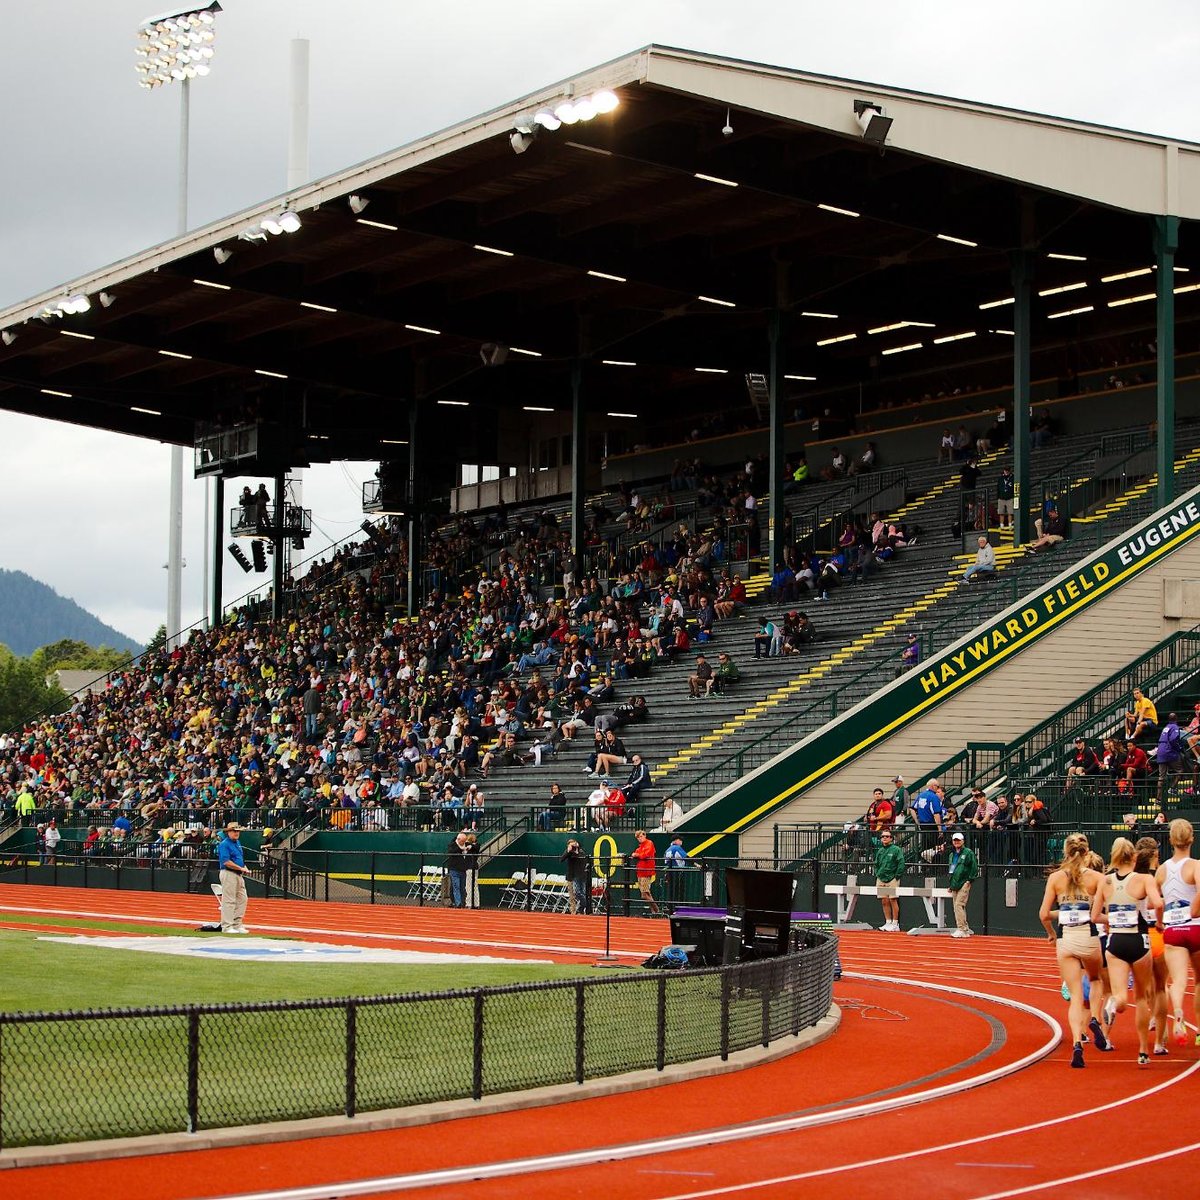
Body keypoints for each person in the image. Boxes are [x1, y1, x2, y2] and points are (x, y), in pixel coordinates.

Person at [1039, 833, 1109, 1067]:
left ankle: (1077, 1043)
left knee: (1075, 996)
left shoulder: (1056, 878)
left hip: (1065, 938)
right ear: (1087, 852)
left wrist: (1050, 932)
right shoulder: (1098, 878)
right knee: (1097, 979)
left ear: (1065, 852)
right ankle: (1097, 1019)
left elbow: (1043, 914)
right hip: (1088, 936)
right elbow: (1096, 914)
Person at [1092, 837, 1163, 1066]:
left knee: (1119, 995)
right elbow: (1158, 904)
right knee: (1141, 997)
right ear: (1134, 857)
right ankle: (1143, 1051)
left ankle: (1113, 1006)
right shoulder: (1143, 879)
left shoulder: (1105, 881)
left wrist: (1112, 919)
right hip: (1139, 941)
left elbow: (1095, 917)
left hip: (1115, 942)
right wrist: (1159, 922)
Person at [1155, 818, 1200, 1047]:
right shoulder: (1196, 866)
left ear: (1171, 840)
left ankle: (1179, 1012)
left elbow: (1156, 903)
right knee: (1199, 981)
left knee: (1178, 981)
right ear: (1191, 838)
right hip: (1196, 926)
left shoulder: (1162, 870)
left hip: (1173, 930)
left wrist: (1161, 923)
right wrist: (1193, 910)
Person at [217, 820, 250, 934]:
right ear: (229, 832)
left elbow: (239, 859)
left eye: (237, 831)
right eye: (234, 831)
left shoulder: (237, 843)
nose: (236, 833)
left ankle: (237, 924)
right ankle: (227, 926)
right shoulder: (224, 844)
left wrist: (243, 867)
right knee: (229, 900)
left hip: (238, 873)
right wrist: (241, 868)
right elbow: (226, 861)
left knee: (242, 899)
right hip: (229, 873)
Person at [947, 831, 979, 937]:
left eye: (958, 840)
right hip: (955, 882)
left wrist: (969, 880)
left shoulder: (968, 853)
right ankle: (964, 928)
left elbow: (974, 866)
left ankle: (961, 928)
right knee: (957, 906)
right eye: (955, 840)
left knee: (958, 905)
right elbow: (951, 869)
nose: (956, 842)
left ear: (963, 841)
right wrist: (951, 884)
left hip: (964, 882)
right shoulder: (952, 855)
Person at [874, 827, 905, 931]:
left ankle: (895, 923)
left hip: (892, 878)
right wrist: (878, 874)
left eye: (887, 836)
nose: (885, 838)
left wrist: (897, 876)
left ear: (891, 838)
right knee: (884, 900)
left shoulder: (896, 849)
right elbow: (876, 864)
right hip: (881, 878)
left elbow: (901, 863)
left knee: (893, 900)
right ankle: (888, 922)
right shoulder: (880, 851)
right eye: (883, 836)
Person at [630, 829, 660, 915]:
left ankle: (656, 910)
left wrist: (637, 855)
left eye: (641, 836)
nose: (639, 838)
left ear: (644, 836)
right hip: (641, 871)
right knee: (646, 893)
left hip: (646, 871)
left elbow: (645, 854)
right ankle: (654, 911)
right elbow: (636, 853)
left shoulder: (649, 843)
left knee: (644, 893)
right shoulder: (641, 846)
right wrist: (636, 854)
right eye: (638, 837)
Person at [561, 839, 589, 914]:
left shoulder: (581, 852)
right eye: (571, 845)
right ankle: (573, 912)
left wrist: (576, 851)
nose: (573, 847)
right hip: (571, 876)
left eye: (574, 845)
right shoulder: (568, 852)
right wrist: (568, 850)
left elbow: (583, 860)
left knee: (581, 893)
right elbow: (561, 859)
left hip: (581, 876)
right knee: (572, 896)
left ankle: (584, 907)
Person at [445, 831, 471, 908]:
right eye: (462, 841)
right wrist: (462, 850)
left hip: (463, 870)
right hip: (454, 869)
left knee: (462, 887)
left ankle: (461, 902)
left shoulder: (466, 844)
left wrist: (470, 847)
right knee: (456, 886)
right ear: (458, 839)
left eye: (464, 841)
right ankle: (458, 903)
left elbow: (476, 846)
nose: (463, 843)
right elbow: (451, 851)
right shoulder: (452, 845)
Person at [663, 836, 689, 907]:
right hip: (677, 872)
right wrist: (697, 864)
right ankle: (678, 907)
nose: (681, 842)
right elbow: (686, 857)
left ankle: (671, 907)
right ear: (676, 841)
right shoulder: (677, 848)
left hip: (669, 872)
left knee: (671, 890)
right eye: (680, 840)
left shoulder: (668, 849)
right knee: (678, 891)